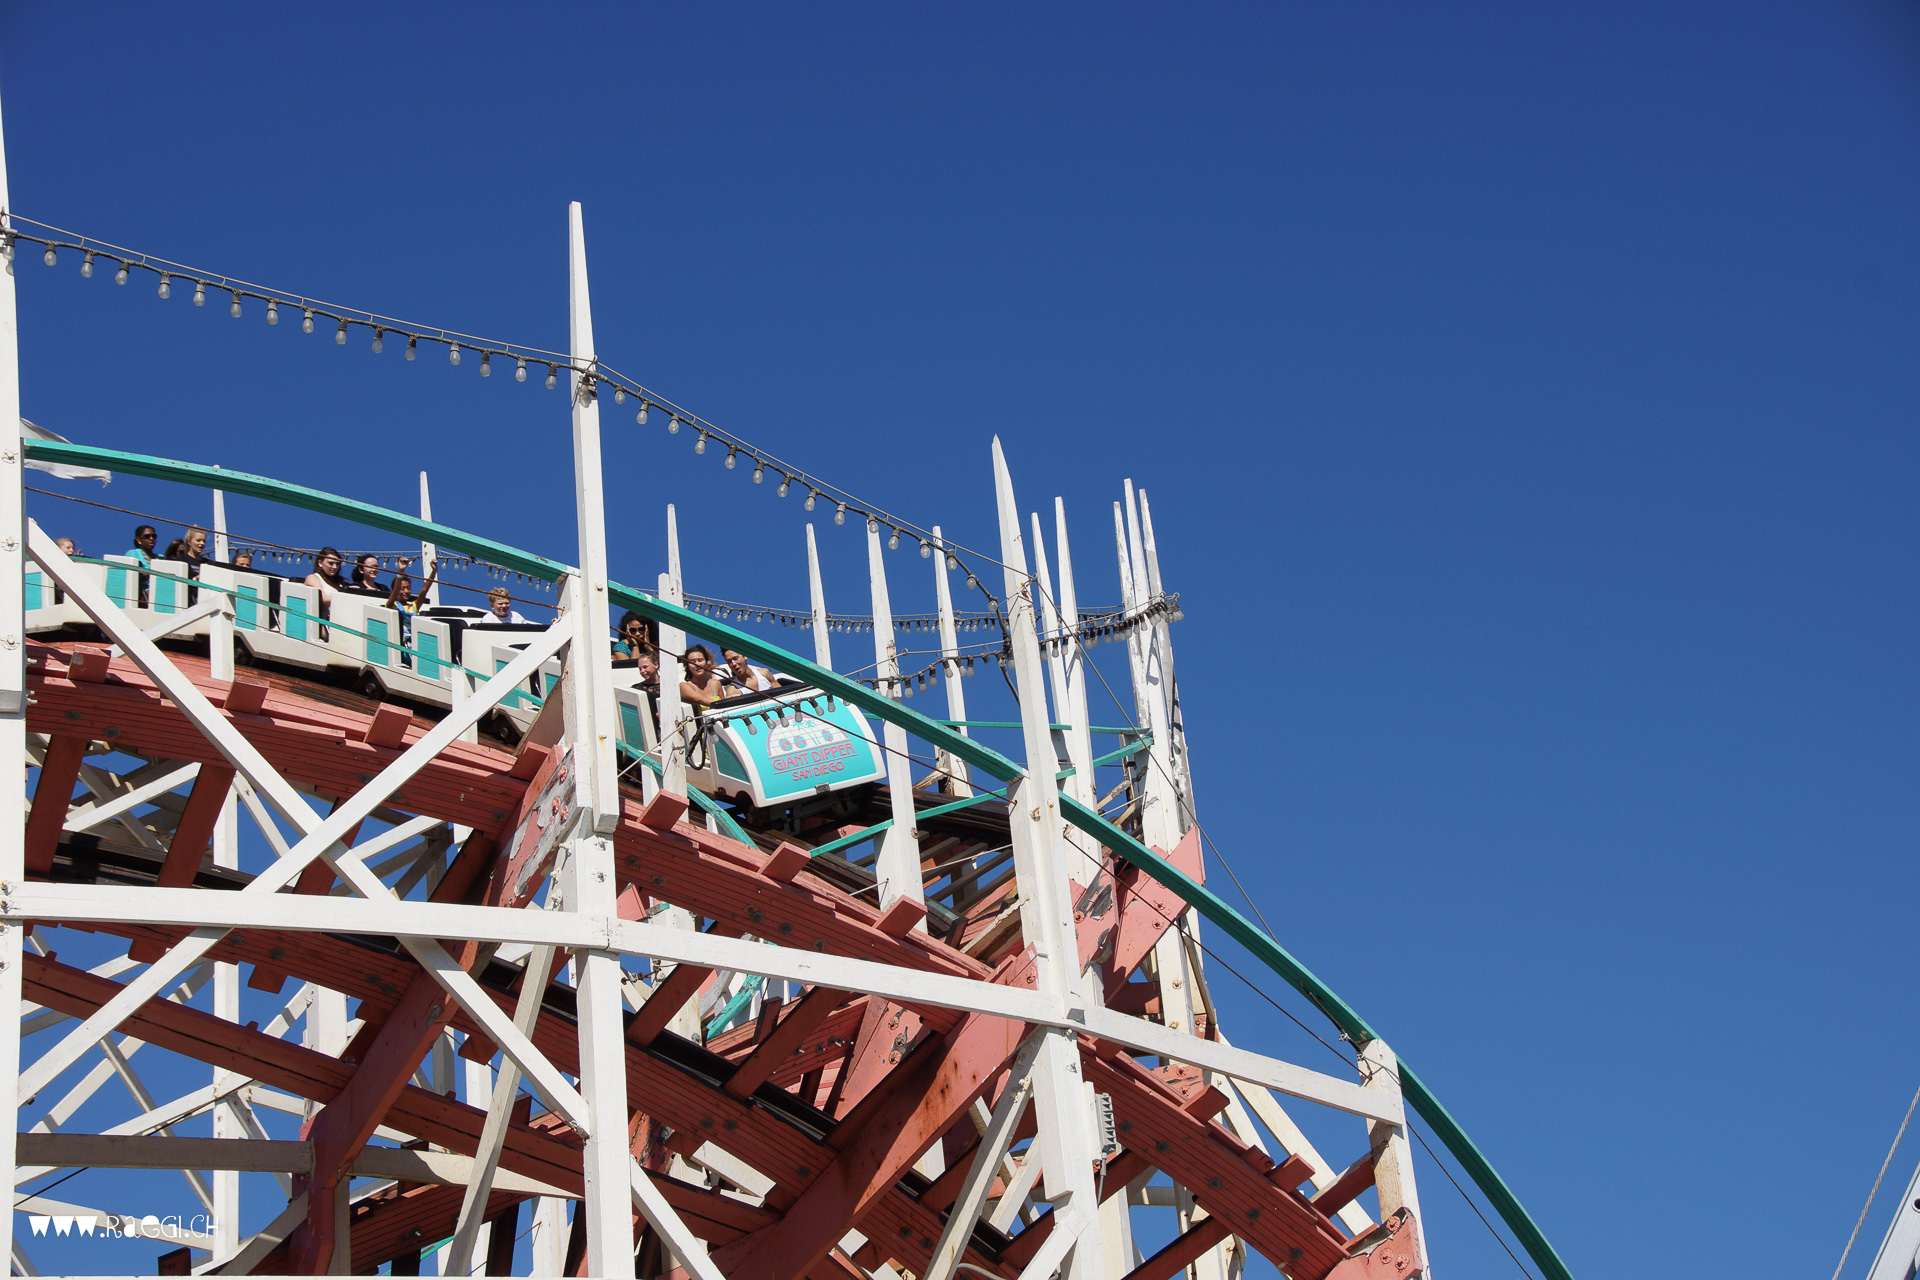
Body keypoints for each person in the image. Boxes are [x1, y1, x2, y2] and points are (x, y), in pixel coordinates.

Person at [679, 645, 728, 709]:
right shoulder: (684, 686)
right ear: (687, 666)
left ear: (706, 663)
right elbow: (700, 700)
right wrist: (722, 704)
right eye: (692, 662)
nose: (697, 664)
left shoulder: (716, 683)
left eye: (700, 660)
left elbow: (725, 707)